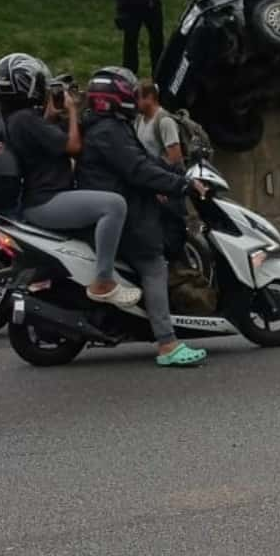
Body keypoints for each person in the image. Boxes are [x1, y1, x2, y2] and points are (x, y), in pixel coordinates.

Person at [78, 67, 209, 367]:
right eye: (128, 93)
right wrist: (180, 185)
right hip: (128, 213)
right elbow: (138, 169)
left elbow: (145, 160)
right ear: (115, 98)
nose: (132, 98)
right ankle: (167, 343)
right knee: (154, 265)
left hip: (126, 204)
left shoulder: (108, 126)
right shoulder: (109, 130)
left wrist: (179, 175)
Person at [0, 53, 139, 308]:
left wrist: (51, 116)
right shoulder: (26, 119)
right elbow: (73, 146)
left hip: (40, 197)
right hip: (47, 200)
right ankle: (103, 281)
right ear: (26, 84)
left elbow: (43, 143)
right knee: (114, 205)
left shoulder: (17, 119)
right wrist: (73, 111)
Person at [135, 79, 189, 265]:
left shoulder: (164, 121)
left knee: (172, 237)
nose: (135, 102)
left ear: (150, 97)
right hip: (152, 186)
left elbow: (175, 158)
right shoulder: (139, 121)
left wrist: (162, 186)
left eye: (138, 98)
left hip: (167, 189)